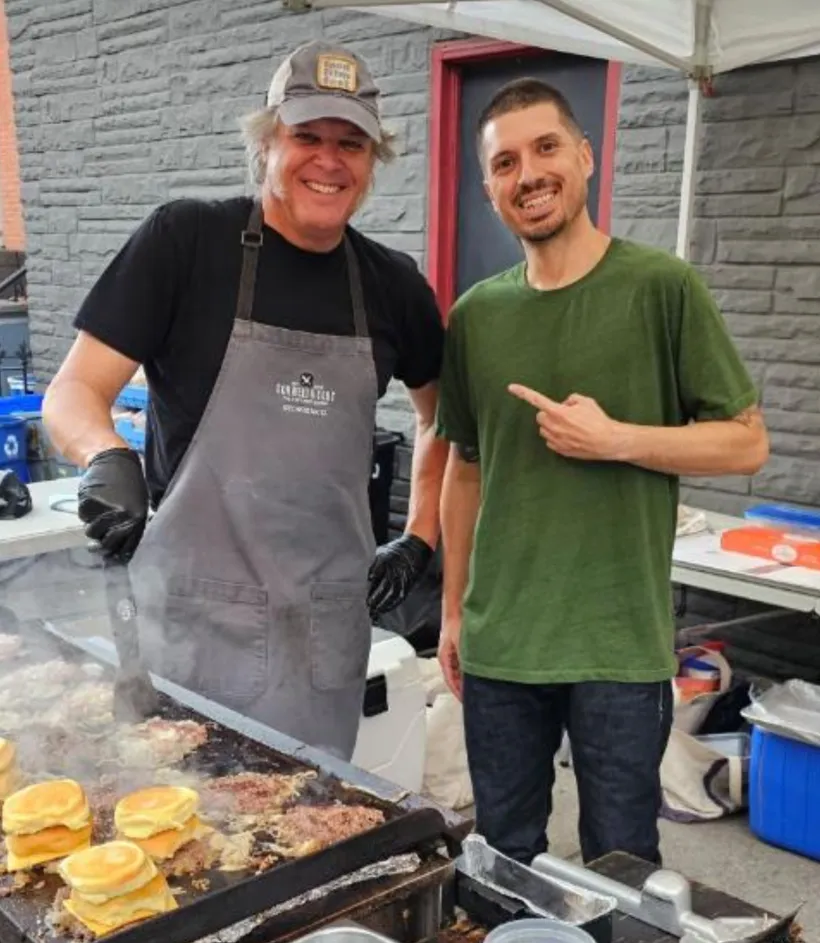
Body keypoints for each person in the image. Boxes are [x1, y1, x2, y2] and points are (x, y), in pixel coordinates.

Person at [43, 40, 448, 761]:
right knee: (175, 834)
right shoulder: (187, 243)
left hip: (323, 632)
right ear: (267, 141)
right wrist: (103, 456)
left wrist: (418, 538)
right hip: (190, 624)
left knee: (308, 831)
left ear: (372, 161)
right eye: (307, 136)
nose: (329, 161)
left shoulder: (391, 286)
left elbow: (444, 416)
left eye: (351, 143)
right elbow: (75, 389)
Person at [435, 78, 769, 866]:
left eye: (547, 148)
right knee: (503, 851)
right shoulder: (477, 315)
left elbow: (744, 443)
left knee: (620, 856)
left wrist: (616, 438)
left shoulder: (661, 287)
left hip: (619, 642)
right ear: (489, 188)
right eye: (506, 162)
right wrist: (452, 611)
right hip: (503, 641)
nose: (529, 174)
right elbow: (466, 469)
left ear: (584, 157)